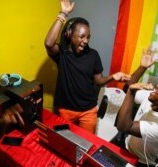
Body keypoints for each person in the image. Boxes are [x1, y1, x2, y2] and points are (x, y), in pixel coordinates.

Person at [44, 0, 131, 133]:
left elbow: (98, 81)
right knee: (65, 142)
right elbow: (49, 43)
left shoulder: (93, 55)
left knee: (87, 143)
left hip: (88, 111)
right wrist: (63, 14)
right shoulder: (62, 53)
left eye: (88, 37)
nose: (86, 41)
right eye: (81, 36)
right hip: (65, 110)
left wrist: (113, 76)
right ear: (69, 35)